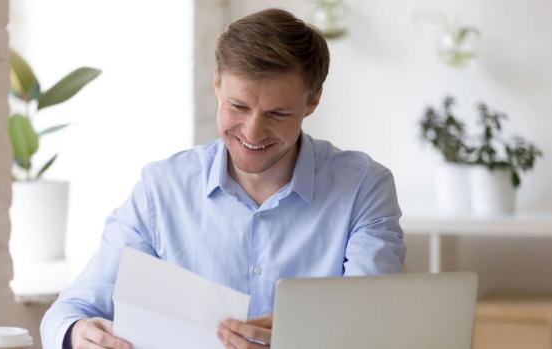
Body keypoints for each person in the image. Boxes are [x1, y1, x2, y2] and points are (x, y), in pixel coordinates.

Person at [41, 8, 406, 349]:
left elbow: (373, 321)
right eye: (238, 106)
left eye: (278, 113)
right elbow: (69, 310)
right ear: (217, 85)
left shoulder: (363, 188)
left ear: (312, 102)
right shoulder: (162, 190)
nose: (253, 131)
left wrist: (303, 337)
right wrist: (79, 333)